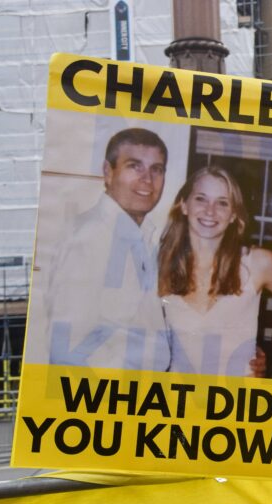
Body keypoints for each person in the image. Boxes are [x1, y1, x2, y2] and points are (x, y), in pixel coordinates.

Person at [158, 166, 272, 379]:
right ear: (184, 205)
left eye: (222, 203)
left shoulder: (258, 263)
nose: (210, 210)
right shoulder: (159, 264)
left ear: (233, 214)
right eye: (201, 199)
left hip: (238, 402)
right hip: (178, 400)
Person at [47, 128, 172, 370]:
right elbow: (65, 350)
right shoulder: (90, 237)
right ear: (108, 171)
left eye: (156, 169)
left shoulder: (142, 238)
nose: (147, 179)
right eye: (135, 166)